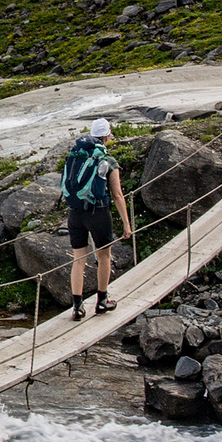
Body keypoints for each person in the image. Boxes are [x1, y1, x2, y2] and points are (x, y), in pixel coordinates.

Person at [61, 117, 133, 320]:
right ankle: (102, 302)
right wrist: (126, 225)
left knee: (78, 260)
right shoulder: (107, 161)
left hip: (75, 213)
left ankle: (77, 307)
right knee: (103, 257)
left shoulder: (76, 156)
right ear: (107, 136)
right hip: (98, 213)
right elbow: (117, 195)